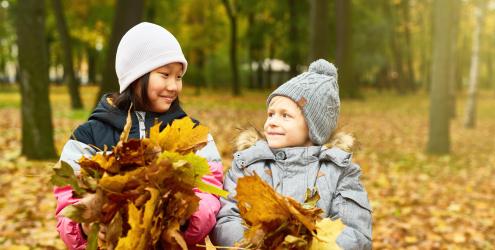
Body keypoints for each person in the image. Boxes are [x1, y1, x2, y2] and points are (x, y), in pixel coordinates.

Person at [54, 22, 223, 249]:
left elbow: (210, 193)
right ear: (135, 76)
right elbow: (67, 203)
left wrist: (184, 220)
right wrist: (87, 225)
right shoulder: (88, 138)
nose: (174, 86)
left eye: (179, 76)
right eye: (164, 75)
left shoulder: (193, 135)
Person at [213, 59, 372, 249]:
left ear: (313, 128)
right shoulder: (248, 164)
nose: (271, 122)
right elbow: (228, 218)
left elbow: (355, 233)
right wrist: (253, 242)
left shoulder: (339, 171)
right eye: (271, 114)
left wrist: (304, 244)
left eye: (285, 115)